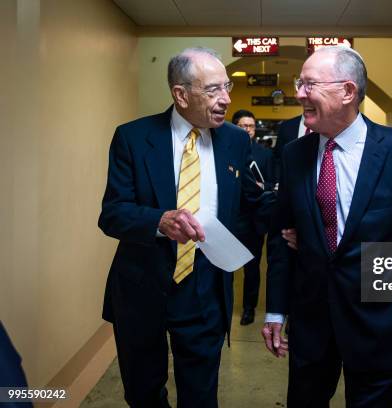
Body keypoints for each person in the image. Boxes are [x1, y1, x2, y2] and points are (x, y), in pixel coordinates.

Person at [262, 46, 392, 407]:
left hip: (378, 321)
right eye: (300, 83)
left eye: (309, 84)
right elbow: (281, 237)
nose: (298, 93)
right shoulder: (294, 154)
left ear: (348, 91)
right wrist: (275, 310)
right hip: (312, 322)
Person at [98, 47, 272, 408]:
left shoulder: (236, 141)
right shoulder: (133, 137)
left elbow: (251, 204)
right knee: (144, 394)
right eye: (213, 90)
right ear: (180, 94)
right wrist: (158, 221)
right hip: (142, 286)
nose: (226, 99)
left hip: (205, 288)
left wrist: (298, 219)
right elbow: (112, 213)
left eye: (226, 87)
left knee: (201, 396)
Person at [231, 109, 276, 325]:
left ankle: (249, 308)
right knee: (226, 264)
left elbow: (275, 184)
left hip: (255, 219)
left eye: (250, 126)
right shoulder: (227, 151)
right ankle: (224, 304)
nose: (247, 129)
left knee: (252, 267)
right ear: (234, 127)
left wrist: (262, 186)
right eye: (243, 126)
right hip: (231, 217)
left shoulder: (265, 154)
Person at [272, 114, 306, 181]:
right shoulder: (286, 126)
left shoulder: (326, 124)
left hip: (320, 182)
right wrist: (278, 180)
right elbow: (278, 157)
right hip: (290, 182)